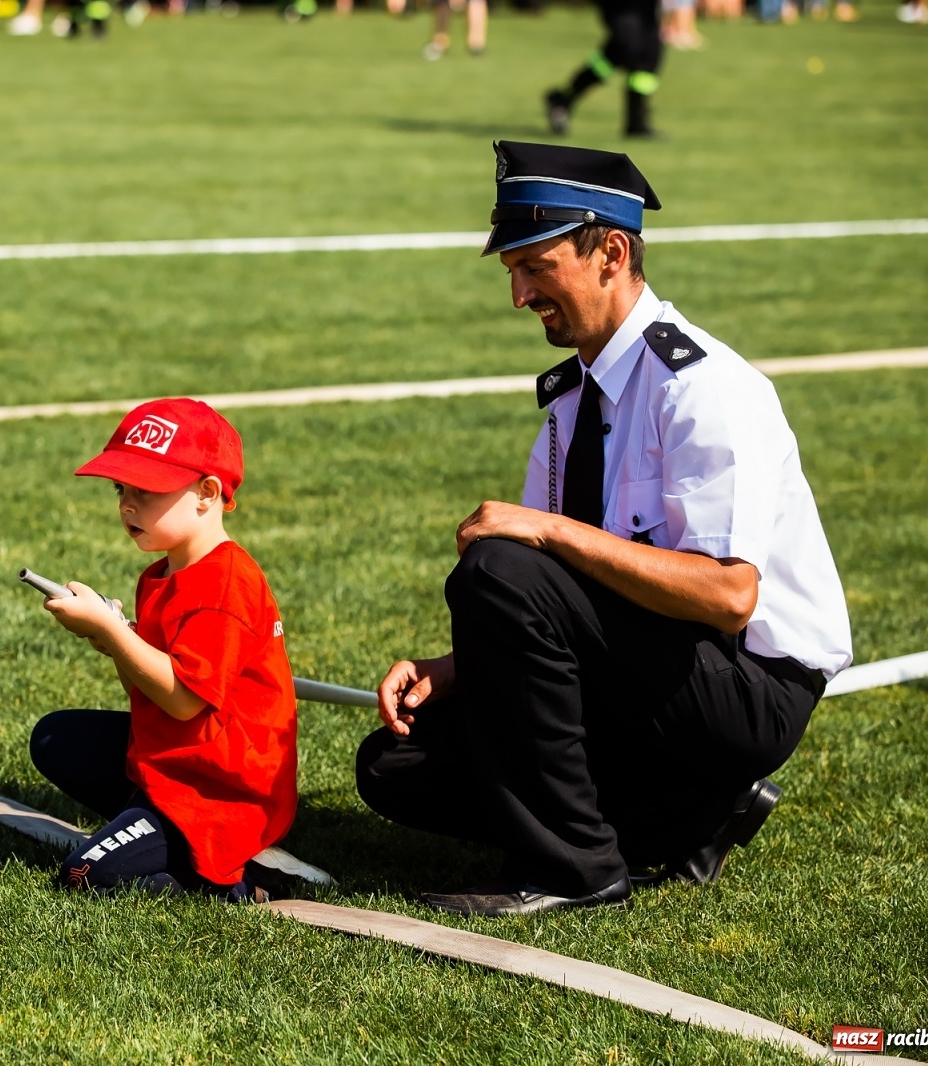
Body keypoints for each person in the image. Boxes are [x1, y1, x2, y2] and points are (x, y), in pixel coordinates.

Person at [355, 141, 852, 917]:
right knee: (395, 763)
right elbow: (563, 610)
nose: (518, 294)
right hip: (654, 672)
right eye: (511, 272)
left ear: (611, 252)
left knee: (499, 566)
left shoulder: (702, 388)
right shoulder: (570, 398)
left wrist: (550, 532)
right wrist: (448, 670)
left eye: (535, 266)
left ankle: (577, 870)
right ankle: (691, 812)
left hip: (744, 684)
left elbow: (728, 598)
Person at [29, 398, 298, 902]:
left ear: (207, 493)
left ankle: (238, 880)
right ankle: (160, 832)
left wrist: (115, 634)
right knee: (53, 739)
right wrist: (113, 641)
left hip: (221, 789)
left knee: (82, 876)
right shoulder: (160, 574)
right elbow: (150, 694)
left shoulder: (225, 585)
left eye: (145, 490)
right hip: (178, 759)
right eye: (120, 488)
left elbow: (183, 701)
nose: (127, 504)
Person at [543, 0, 662, 138]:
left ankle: (636, 123)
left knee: (646, 55)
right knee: (629, 48)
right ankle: (563, 98)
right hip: (620, 5)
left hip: (647, 7)